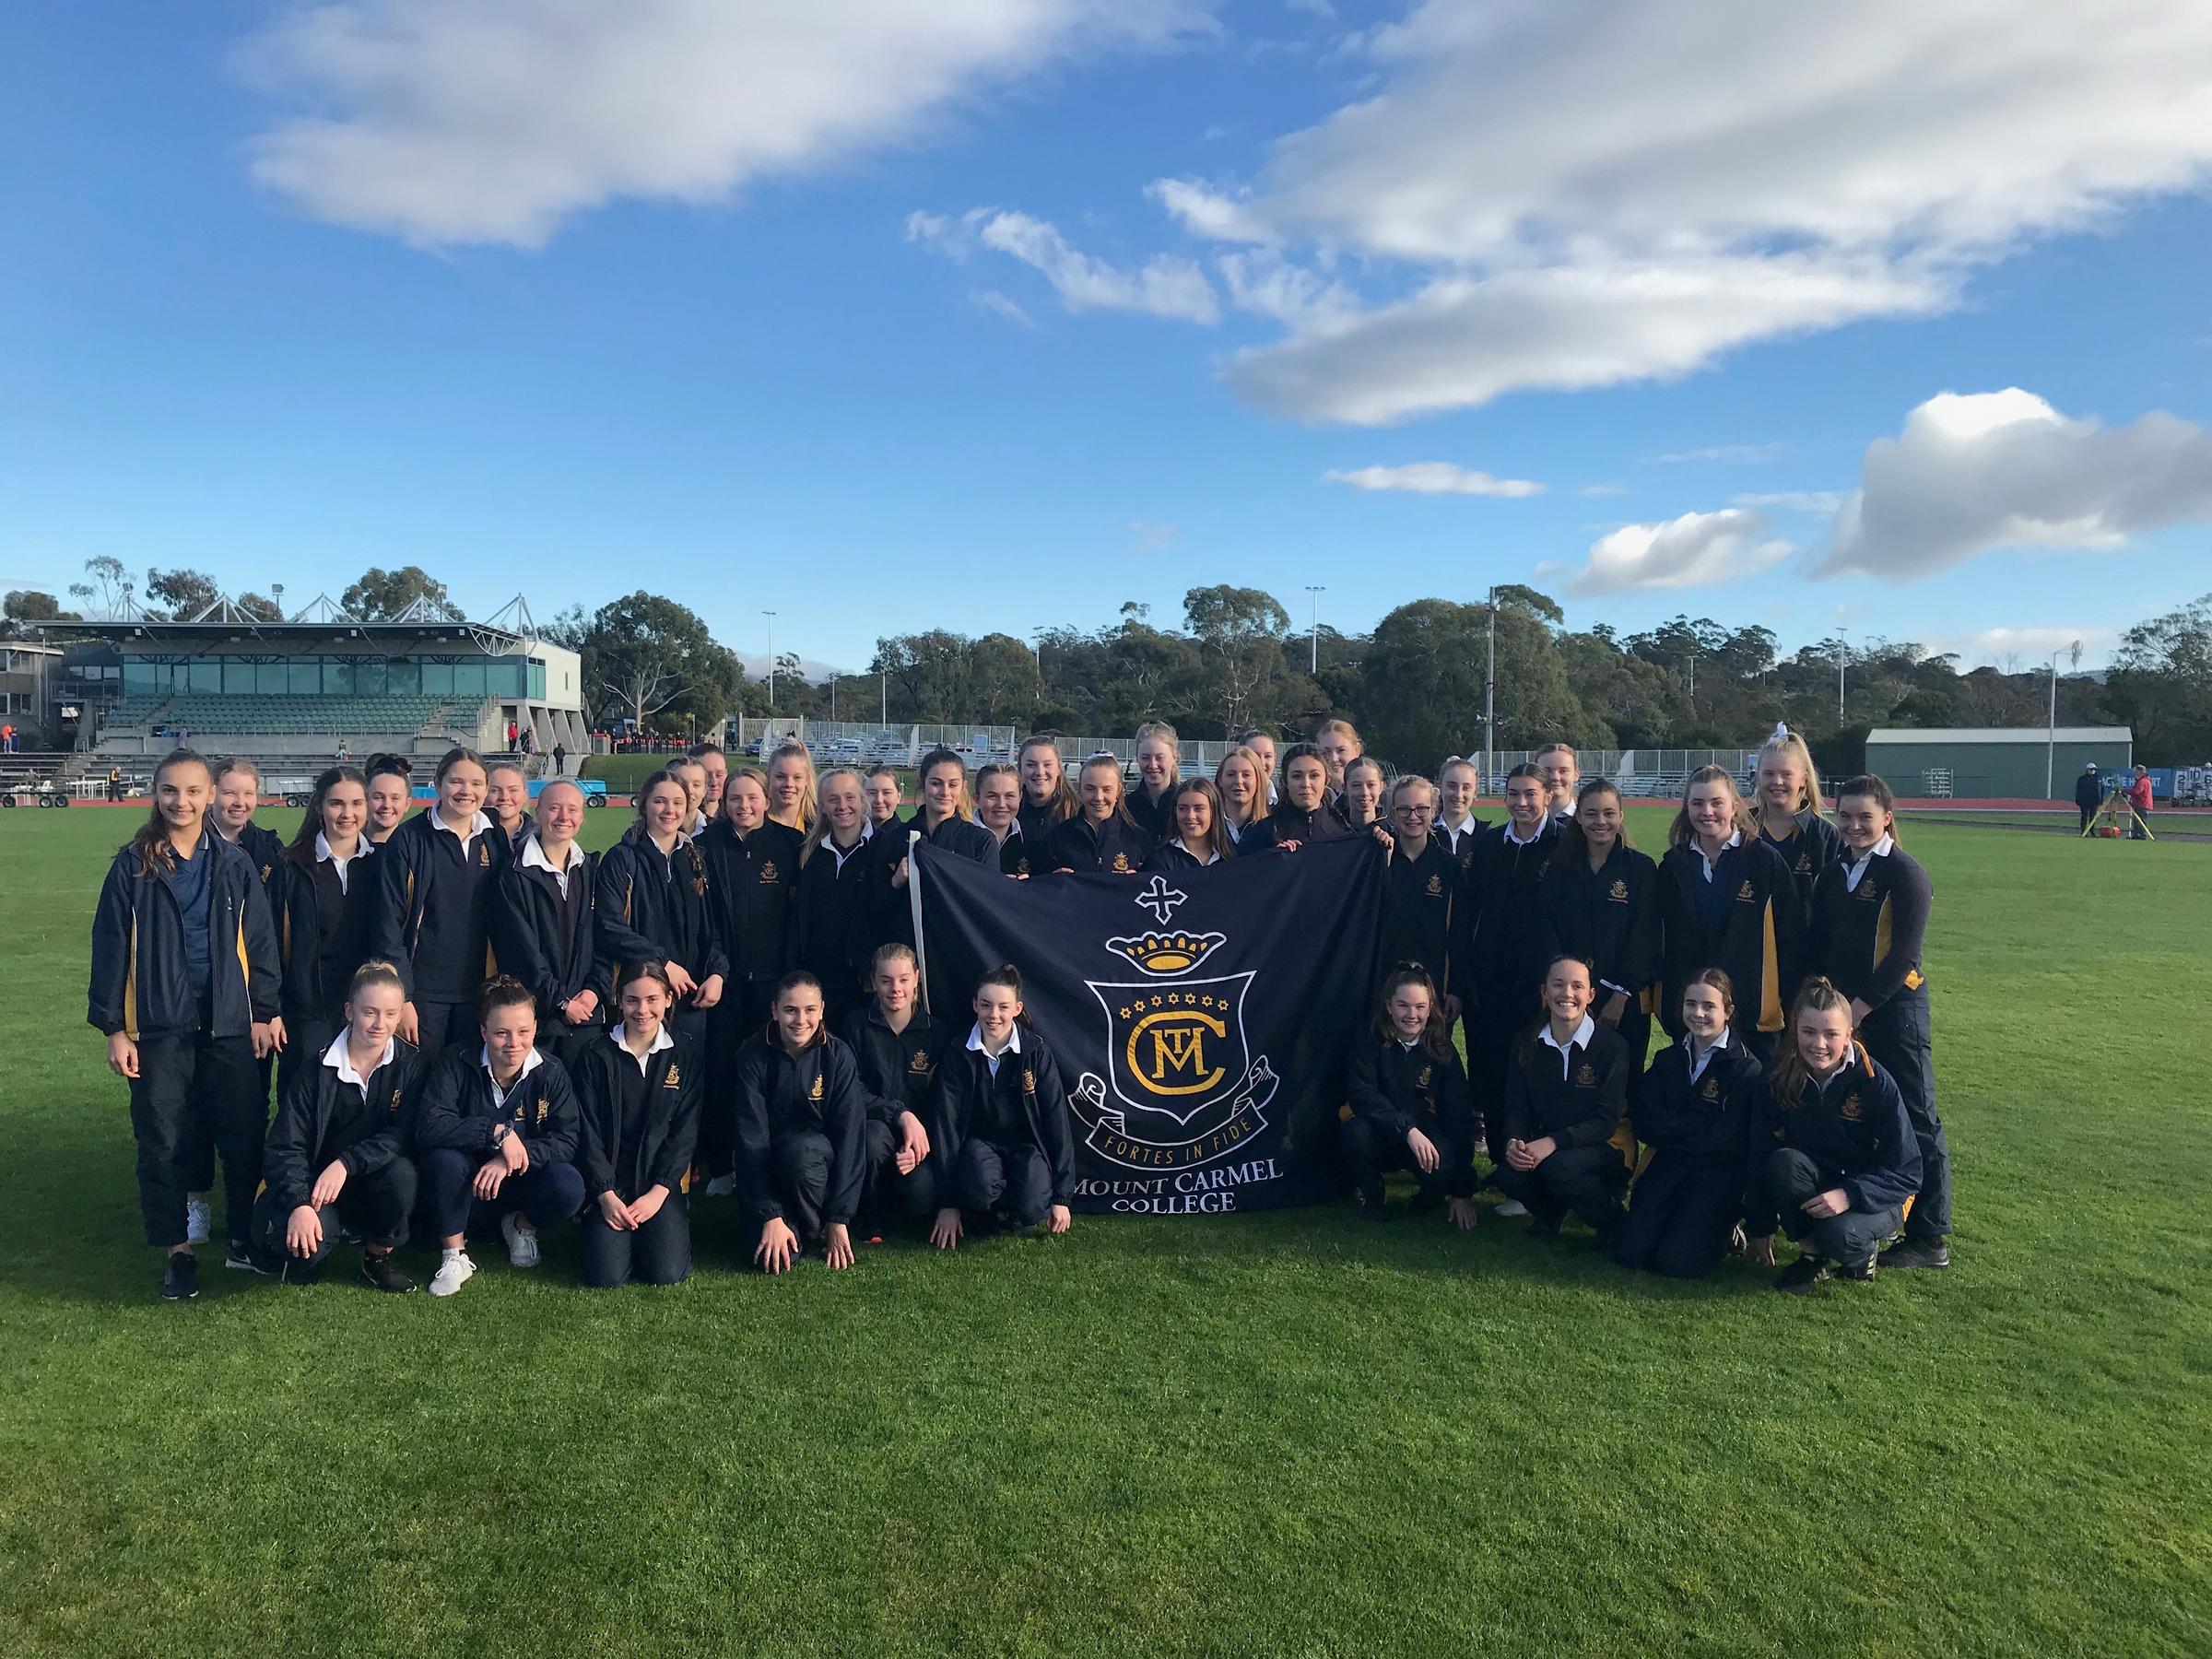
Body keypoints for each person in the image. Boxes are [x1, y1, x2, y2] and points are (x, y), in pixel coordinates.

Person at [89, 748, 282, 1298]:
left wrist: (264, 1011)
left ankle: (243, 1238)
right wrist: (114, 1029)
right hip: (159, 1025)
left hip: (229, 1022)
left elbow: (261, 943)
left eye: (194, 791)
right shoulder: (132, 866)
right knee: (164, 1137)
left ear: (210, 796)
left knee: (243, 1135)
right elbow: (109, 951)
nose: (182, 801)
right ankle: (178, 1252)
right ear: (156, 794)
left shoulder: (234, 863)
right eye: (171, 790)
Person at [1809, 774, 1948, 1270]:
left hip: (1894, 1014)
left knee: (1917, 1117)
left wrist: (1856, 1011)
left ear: (1886, 818)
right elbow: (1821, 945)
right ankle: (1860, 1213)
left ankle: (1929, 1236)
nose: (1853, 825)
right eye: (1844, 816)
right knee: (1856, 1111)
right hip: (1844, 1017)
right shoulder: (1835, 872)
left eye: (1864, 817)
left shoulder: (1905, 874)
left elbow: (1903, 957)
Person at [250, 959, 420, 1292]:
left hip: (369, 1178)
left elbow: (402, 1135)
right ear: (349, 1012)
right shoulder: (314, 1070)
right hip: (316, 1186)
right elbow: (285, 1146)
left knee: (403, 1175)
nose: (380, 1024)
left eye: (390, 1013)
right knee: (305, 1251)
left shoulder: (411, 1066)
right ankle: (310, 1242)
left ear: (400, 1015)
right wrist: (299, 1203)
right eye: (369, 1012)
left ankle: (377, 1256)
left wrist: (345, 1164)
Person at [1743, 978, 1922, 1294]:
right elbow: (1760, 1153)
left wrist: (1850, 1194)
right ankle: (1812, 1256)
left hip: (1875, 1193)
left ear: (1849, 1034)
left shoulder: (1874, 1082)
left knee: (1840, 1235)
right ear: (1795, 1031)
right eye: (1809, 1032)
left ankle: (1863, 1251)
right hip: (1820, 1181)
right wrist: (1759, 1227)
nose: (1819, 1044)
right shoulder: (1778, 1078)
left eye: (1831, 1034)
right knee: (1784, 1163)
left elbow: (1908, 1172)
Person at [413, 976, 586, 1296]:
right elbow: (429, 1125)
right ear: (484, 1031)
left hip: (518, 1181)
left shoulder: (551, 1071)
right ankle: (454, 1253)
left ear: (535, 1028)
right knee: (443, 1160)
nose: (513, 1043)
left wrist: (510, 1159)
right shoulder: (455, 1060)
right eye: (501, 1033)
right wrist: (495, 1133)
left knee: (569, 1185)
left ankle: (520, 1225)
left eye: (523, 1032)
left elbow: (567, 1139)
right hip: (465, 1184)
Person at [1613, 970, 1764, 1279]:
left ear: (1728, 1011)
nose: (1698, 1013)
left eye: (1709, 1006)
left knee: (1677, 1264)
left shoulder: (1746, 1069)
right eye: (1690, 1004)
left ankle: (1725, 1230)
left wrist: (1672, 1126)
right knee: (1629, 1252)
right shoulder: (1668, 1059)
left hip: (1714, 1177)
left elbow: (1726, 1138)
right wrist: (1695, 1125)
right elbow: (1644, 1120)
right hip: (1668, 1167)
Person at [697, 766, 803, 1192]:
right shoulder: (705, 846)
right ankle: (722, 1165)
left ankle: (772, 1160)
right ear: (724, 802)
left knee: (773, 1072)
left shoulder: (791, 844)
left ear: (766, 800)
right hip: (724, 983)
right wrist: (717, 968)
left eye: (752, 797)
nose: (744, 806)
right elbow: (704, 921)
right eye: (735, 798)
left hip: (774, 984)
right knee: (722, 1071)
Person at [1451, 762, 1558, 1187]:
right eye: (1514, 794)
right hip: (1489, 985)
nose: (1521, 802)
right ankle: (1502, 1164)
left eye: (1530, 794)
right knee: (1492, 1075)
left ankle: (1533, 1169)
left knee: (1533, 1076)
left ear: (1548, 796)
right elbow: (1468, 915)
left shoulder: (1564, 844)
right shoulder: (1490, 844)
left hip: (1540, 988)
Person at [1655, 764, 1803, 1064]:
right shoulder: (1673, 865)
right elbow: (1660, 939)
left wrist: (1787, 1003)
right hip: (1692, 1013)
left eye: (1716, 803)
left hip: (1751, 1014)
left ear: (1734, 807)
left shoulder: (1764, 861)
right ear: (1687, 808)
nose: (1707, 811)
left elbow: (1792, 938)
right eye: (1698, 803)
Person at [570, 960, 702, 1288]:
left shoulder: (684, 1053)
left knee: (666, 1272)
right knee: (606, 1277)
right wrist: (605, 1194)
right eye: (632, 1000)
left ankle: (659, 1227)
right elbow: (587, 1132)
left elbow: (684, 1132)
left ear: (668, 999)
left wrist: (659, 1191)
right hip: (611, 1186)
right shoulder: (595, 1055)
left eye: (652, 1000)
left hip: (658, 1185)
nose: (642, 1010)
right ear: (619, 1000)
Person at [371, 746, 506, 1056]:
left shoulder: (494, 838)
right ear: (437, 784)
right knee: (419, 1078)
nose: (466, 791)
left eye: (476, 783)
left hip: (479, 990)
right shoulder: (409, 839)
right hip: (423, 994)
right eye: (456, 781)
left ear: (486, 788)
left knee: (467, 1076)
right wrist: (403, 996)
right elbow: (387, 921)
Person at [732, 971, 870, 1274]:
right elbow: (750, 1140)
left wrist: (839, 1217)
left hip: (815, 1169)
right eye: (790, 1010)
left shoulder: (838, 1056)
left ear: (822, 1011)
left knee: (802, 1152)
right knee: (772, 1262)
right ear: (775, 1011)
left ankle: (818, 1226)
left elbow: (850, 1136)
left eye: (810, 1010)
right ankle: (792, 1226)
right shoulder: (752, 1056)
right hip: (768, 1171)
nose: (801, 1020)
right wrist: (770, 1215)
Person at [928, 965, 1075, 1246]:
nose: (993, 1015)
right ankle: (983, 1211)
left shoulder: (1036, 1052)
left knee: (1033, 1207)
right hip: (979, 1145)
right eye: (986, 1005)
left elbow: (1057, 1122)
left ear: (1017, 1008)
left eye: (1003, 1007)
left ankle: (1017, 1207)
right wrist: (948, 1204)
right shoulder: (959, 1052)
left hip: (1026, 1147)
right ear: (975, 1005)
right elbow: (946, 1124)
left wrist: (1061, 1198)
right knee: (978, 1188)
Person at [1493, 954, 1633, 1241]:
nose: (1567, 993)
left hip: (1605, 1147)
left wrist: (1552, 1142)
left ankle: (1612, 1221)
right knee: (1508, 1174)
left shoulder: (1612, 1047)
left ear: (1591, 995)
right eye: (1558, 985)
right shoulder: (1526, 1042)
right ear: (1543, 992)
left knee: (1560, 1167)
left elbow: (1605, 1122)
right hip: (1553, 1145)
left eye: (1577, 986)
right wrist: (1513, 1141)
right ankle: (1551, 1212)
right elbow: (1517, 1107)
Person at [594, 770, 725, 1045]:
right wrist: (662, 963)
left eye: (678, 803)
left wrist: (717, 973)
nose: (669, 810)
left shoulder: (696, 860)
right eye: (660, 801)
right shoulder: (622, 858)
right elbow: (609, 926)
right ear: (644, 805)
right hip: (639, 998)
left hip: (689, 996)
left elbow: (712, 927)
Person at [1338, 967, 1477, 1228]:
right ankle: (1373, 1196)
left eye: (1420, 1007)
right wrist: (1406, 1129)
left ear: (1430, 1008)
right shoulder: (1369, 1038)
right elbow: (1362, 1095)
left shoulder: (1441, 1049)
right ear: (1389, 1006)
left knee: (1443, 1159)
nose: (1412, 1015)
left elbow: (1458, 1115)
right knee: (1353, 1135)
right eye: (1403, 1005)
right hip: (1379, 1129)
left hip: (1422, 1133)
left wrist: (1462, 1191)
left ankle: (1426, 1199)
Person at [1538, 778, 1661, 1071]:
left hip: (1623, 1002)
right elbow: (1548, 929)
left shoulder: (1641, 869)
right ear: (1579, 817)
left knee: (1624, 1082)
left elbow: (1645, 935)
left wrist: (1620, 994)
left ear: (1621, 816)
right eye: (1591, 814)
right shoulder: (1560, 867)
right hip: (1570, 998)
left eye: (1609, 813)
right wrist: (1570, 990)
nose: (1600, 822)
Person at [273, 765, 380, 1100]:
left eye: (356, 804)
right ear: (320, 807)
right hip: (308, 1006)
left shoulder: (383, 863)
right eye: (337, 804)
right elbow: (271, 944)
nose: (347, 814)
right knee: (305, 1095)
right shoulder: (290, 866)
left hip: (367, 1003)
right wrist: (271, 1008)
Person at [487, 778, 605, 1059]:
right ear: (538, 812)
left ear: (582, 816)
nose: (564, 817)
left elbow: (603, 939)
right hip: (536, 1021)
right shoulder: (512, 875)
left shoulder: (592, 870)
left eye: (572, 809)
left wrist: (593, 991)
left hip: (586, 1015)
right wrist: (561, 1002)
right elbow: (520, 952)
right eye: (554, 808)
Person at [838, 944, 947, 1236]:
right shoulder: (855, 1026)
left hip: (919, 1139)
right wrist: (900, 1114)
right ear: (873, 982)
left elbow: (943, 1100)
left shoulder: (936, 1032)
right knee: (873, 1139)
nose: (895, 989)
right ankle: (870, 1217)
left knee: (921, 1199)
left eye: (903, 979)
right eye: (885, 980)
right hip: (874, 1128)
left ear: (917, 978)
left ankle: (898, 1194)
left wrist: (921, 1143)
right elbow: (851, 1089)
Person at [792, 768, 896, 1029]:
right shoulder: (808, 853)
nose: (842, 806)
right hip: (818, 977)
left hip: (865, 981)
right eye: (833, 799)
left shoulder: (887, 848)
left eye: (850, 797)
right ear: (822, 806)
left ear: (862, 800)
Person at [1375, 776, 1458, 1000]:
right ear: (1392, 814)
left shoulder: (1449, 865)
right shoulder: (1379, 860)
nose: (1413, 816)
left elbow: (1459, 932)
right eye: (1404, 809)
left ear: (1433, 811)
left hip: (1434, 983)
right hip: (1384, 983)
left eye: (1421, 808)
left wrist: (1455, 990)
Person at [1752, 728, 1841, 917]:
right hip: (1752, 935)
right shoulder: (1742, 829)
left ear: (1803, 779)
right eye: (1769, 774)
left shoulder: (1826, 836)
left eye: (1786, 774)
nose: (1777, 781)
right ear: (1758, 777)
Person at [1047, 753, 1154, 874]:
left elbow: (1152, 882)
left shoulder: (1138, 839)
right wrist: (1051, 879)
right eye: (1090, 789)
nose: (1098, 797)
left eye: (1107, 789)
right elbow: (1038, 881)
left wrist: (1138, 881)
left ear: (1118, 791)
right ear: (1080, 790)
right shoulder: (1057, 837)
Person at [1239, 744, 1348, 853]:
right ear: (1285, 781)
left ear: (1326, 780)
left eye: (1314, 776)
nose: (1306, 784)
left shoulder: (1342, 830)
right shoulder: (1261, 832)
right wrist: (1272, 856)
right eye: (1297, 776)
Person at [212, 758, 286, 900]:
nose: (240, 802)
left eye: (248, 794)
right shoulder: (190, 847)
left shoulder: (272, 848)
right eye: (229, 793)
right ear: (211, 795)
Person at [1143, 777, 1235, 870]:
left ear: (1214, 811)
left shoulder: (1231, 857)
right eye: (1183, 808)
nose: (1190, 816)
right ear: (1175, 811)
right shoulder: (1160, 861)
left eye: (1198, 809)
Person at [1015, 735, 1078, 845]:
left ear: (1059, 768)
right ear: (1020, 768)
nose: (1040, 772)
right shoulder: (1009, 811)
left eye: (1047, 765)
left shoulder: (1078, 812)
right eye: (1031, 765)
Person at [1126, 722, 1182, 841]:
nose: (1153, 765)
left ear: (1174, 757)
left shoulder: (1186, 803)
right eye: (1145, 758)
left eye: (1159, 758)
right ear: (1137, 758)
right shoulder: (1126, 807)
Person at [974, 760, 1031, 875]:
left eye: (1009, 796)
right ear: (977, 799)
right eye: (992, 796)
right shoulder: (958, 840)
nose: (1001, 804)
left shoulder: (1031, 841)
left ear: (1020, 797)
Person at [1436, 757, 1489, 869]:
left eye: (1466, 788)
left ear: (1475, 792)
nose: (1458, 795)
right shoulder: (1425, 833)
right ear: (1440, 788)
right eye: (1451, 786)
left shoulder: (1488, 837)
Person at [1212, 746, 1266, 846]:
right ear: (1220, 780)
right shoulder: (1208, 826)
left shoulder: (1272, 828)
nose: (1238, 781)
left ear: (1258, 780)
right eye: (1231, 775)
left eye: (1246, 775)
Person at [766, 741, 818, 834]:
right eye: (780, 777)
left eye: (797, 777)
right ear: (768, 776)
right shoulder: (755, 822)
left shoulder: (820, 825)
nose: (789, 784)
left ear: (807, 779)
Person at [484, 760, 534, 855]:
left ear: (525, 794)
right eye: (495, 790)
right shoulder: (468, 835)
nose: (504, 797)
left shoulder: (542, 836)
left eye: (513, 790)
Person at [363, 753, 414, 844]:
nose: (387, 805)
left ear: (407, 804)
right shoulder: (345, 844)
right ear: (365, 800)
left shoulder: (418, 846)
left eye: (395, 798)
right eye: (378, 797)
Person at [1313, 718, 1362, 800]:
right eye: (1326, 752)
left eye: (1341, 750)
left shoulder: (1370, 795)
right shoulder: (1311, 796)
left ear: (1356, 750)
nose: (1333, 759)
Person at [1339, 755, 1389, 832]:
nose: (1364, 792)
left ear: (1381, 787)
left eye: (1371, 785)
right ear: (1345, 788)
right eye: (1356, 785)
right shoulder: (1332, 830)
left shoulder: (1393, 832)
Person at [1535, 741, 1581, 824]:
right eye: (1547, 771)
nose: (1555, 777)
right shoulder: (1522, 823)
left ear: (1576, 775)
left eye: (1563, 771)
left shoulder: (1585, 822)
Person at [669, 756, 712, 837]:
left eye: (696, 785)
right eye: (683, 784)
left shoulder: (718, 832)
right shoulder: (651, 831)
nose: (689, 791)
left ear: (705, 790)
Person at [687, 741, 728, 822]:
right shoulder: (680, 819)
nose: (714, 782)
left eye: (719, 775)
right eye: (707, 776)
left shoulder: (734, 815)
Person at [1237, 729, 1280, 805]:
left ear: (1274, 759)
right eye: (1255, 755)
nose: (1261, 762)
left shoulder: (1287, 802)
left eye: (1268, 756)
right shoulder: (1222, 801)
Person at [865, 765, 905, 833]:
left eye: (887, 793)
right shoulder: (850, 836)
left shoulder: (909, 837)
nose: (879, 800)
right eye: (872, 793)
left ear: (899, 797)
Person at [2074, 763, 2101, 833]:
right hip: (2084, 801)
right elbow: (2079, 790)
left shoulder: (2098, 779)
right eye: (2091, 769)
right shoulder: (2082, 779)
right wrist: (2078, 799)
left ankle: (2092, 831)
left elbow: (2101, 790)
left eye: (2094, 769)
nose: (2093, 771)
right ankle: (2083, 831)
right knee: (2084, 816)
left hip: (2094, 801)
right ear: (2087, 770)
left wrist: (2100, 800)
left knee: (2093, 817)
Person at [2128, 765, 2153, 839]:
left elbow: (2136, 791)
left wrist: (2125, 790)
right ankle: (2136, 835)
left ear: (2140, 772)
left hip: (2142, 804)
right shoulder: (2142, 781)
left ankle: (2142, 835)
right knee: (2137, 820)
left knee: (2141, 820)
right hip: (2140, 804)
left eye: (2136, 771)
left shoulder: (2143, 781)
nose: (2135, 773)